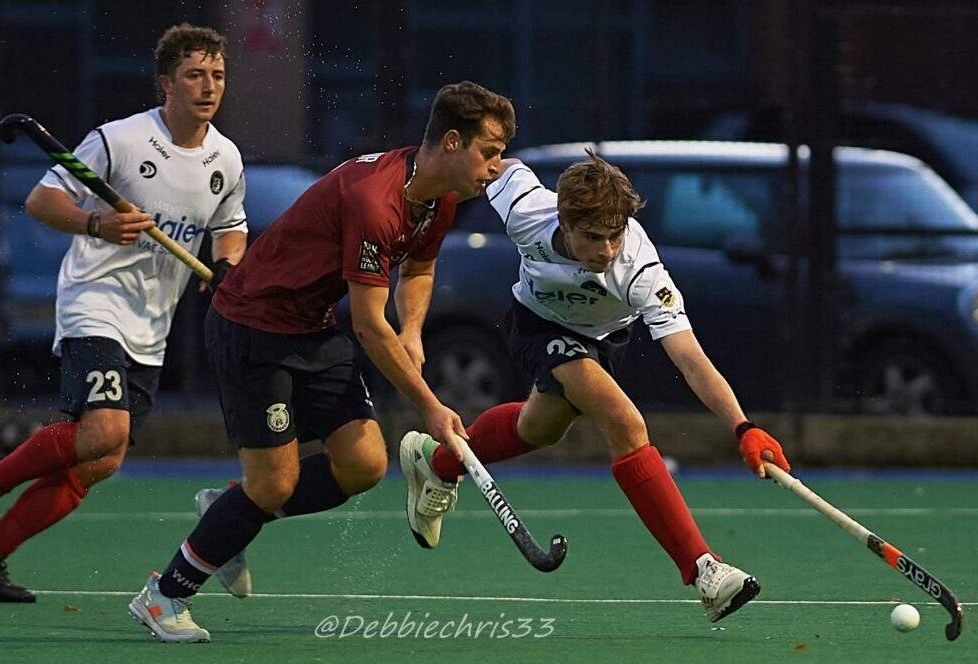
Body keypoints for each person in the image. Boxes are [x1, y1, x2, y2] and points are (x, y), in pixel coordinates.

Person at [126, 80, 516, 643]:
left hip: (311, 328)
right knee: (274, 484)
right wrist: (430, 406)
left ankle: (231, 516)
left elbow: (420, 270)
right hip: (253, 327)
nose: (497, 167)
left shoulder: (441, 198)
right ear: (452, 142)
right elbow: (366, 325)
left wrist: (412, 329)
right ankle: (164, 597)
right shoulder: (374, 200)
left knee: (362, 464)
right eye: (489, 151)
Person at [400, 149, 792, 622]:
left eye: (615, 235)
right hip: (537, 325)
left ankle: (436, 460)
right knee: (625, 421)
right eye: (593, 237)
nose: (606, 250)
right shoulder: (527, 208)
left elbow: (690, 358)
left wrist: (742, 426)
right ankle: (703, 570)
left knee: (539, 429)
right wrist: (414, 201)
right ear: (564, 221)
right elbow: (479, 163)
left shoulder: (641, 271)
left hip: (601, 338)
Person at [0, 24, 247, 602]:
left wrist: (228, 272)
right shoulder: (120, 140)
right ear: (167, 83)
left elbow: (229, 233)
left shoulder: (226, 158)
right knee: (105, 428)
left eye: (216, 75)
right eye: (194, 74)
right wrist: (96, 222)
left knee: (101, 460)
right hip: (96, 300)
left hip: (152, 322)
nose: (207, 86)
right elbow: (42, 199)